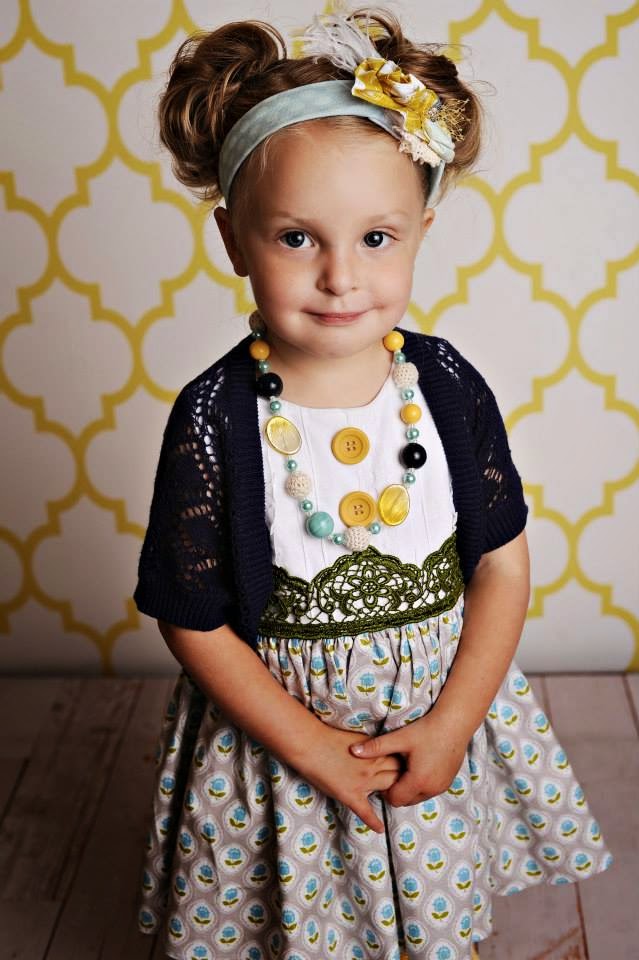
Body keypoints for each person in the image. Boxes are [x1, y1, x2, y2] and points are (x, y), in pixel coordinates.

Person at [132, 7, 614, 959]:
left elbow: (501, 566)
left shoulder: (445, 386)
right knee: (294, 929)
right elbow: (190, 617)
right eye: (296, 239)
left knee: (433, 920)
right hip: (280, 746)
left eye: (377, 238)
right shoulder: (213, 418)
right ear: (233, 240)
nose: (341, 277)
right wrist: (309, 747)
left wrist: (452, 726)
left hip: (434, 721)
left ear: (421, 230)